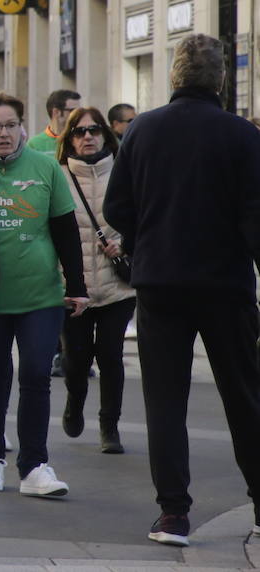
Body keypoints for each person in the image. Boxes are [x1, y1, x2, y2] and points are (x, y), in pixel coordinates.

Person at [103, 34, 260, 548]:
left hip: (159, 283)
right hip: (225, 285)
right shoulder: (241, 134)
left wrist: (149, 236)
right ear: (220, 79)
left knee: (165, 401)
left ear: (173, 75)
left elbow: (115, 211)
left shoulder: (143, 130)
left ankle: (173, 514)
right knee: (244, 397)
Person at [0, 93, 87, 498]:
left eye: (11, 125)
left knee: (36, 374)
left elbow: (67, 229)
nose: (4, 133)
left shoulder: (46, 167)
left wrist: (79, 286)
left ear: (23, 127)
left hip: (40, 294)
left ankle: (34, 466)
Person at [56, 106, 134, 455]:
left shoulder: (123, 173)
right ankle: (75, 399)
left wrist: (126, 243)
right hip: (73, 288)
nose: (87, 137)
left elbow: (143, 218)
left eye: (94, 130)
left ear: (105, 134)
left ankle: (109, 426)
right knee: (76, 359)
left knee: (111, 355)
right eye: (79, 131)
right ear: (69, 139)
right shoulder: (57, 176)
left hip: (118, 285)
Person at [27, 89, 81, 154]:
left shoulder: (81, 139)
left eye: (80, 111)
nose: (78, 115)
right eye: (73, 111)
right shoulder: (34, 145)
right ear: (56, 112)